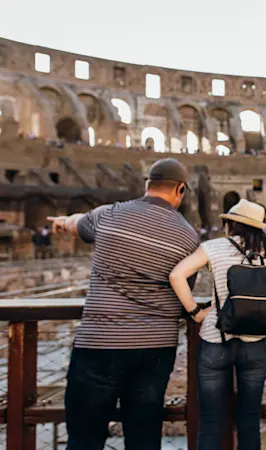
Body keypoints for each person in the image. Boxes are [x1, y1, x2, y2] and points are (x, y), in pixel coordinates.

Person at [48, 158, 198, 450]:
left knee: (84, 437)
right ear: (180, 190)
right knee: (143, 436)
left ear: (147, 185)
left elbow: (76, 223)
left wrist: (62, 224)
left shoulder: (109, 215)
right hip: (154, 348)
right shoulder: (187, 237)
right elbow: (184, 292)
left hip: (98, 344)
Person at [169, 199, 266, 450]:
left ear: (231, 223)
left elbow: (176, 275)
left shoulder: (214, 247)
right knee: (250, 420)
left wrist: (195, 312)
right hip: (256, 341)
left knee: (210, 420)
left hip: (215, 336)